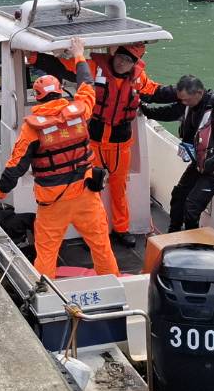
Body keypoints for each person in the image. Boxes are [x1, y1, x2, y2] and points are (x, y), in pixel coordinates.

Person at [0, 37, 120, 279]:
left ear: (37, 97)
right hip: (86, 195)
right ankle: (112, 286)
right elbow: (87, 84)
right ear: (61, 91)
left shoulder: (32, 129)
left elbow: (15, 168)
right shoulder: (81, 111)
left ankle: (45, 294)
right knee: (101, 246)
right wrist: (79, 55)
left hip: (53, 202)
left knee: (47, 251)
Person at [67, 43, 171, 247]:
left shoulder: (138, 79)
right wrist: (34, 57)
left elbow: (156, 91)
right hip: (94, 140)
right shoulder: (93, 67)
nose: (123, 62)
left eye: (129, 60)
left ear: (134, 64)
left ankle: (121, 229)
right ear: (114, 55)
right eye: (121, 57)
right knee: (90, 187)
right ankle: (93, 232)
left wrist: (184, 93)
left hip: (120, 143)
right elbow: (63, 66)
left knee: (119, 188)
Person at [143, 74, 214, 232]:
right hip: (199, 163)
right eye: (181, 100)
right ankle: (173, 233)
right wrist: (145, 110)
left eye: (186, 100)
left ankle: (192, 241)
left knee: (192, 207)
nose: (183, 103)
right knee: (178, 196)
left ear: (199, 93)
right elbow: (169, 112)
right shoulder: (188, 103)